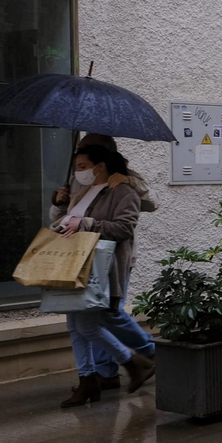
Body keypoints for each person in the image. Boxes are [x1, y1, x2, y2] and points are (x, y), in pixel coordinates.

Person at [50, 134, 157, 392]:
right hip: (79, 261)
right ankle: (105, 373)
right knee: (86, 320)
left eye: (84, 160)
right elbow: (65, 220)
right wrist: (58, 205)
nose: (78, 169)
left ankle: (147, 354)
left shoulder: (123, 184)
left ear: (101, 161)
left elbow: (143, 208)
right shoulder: (81, 186)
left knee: (106, 314)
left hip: (109, 262)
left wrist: (129, 181)